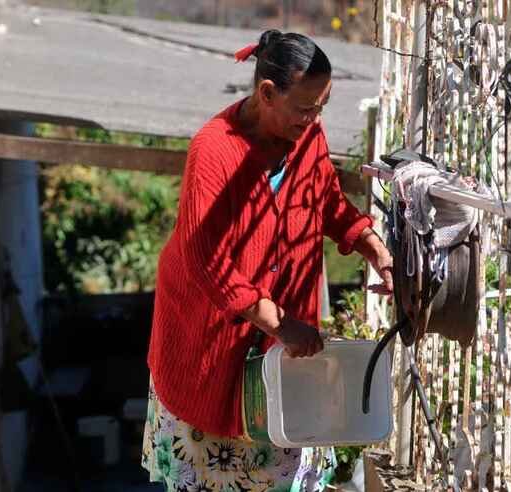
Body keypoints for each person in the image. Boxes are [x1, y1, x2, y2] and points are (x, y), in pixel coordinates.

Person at [142, 29, 394, 491]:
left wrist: (370, 244)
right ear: (266, 93)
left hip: (278, 353)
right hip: (208, 349)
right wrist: (281, 324)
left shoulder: (307, 137)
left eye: (322, 106)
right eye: (305, 107)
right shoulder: (214, 150)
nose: (315, 118)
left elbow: (327, 202)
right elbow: (208, 261)